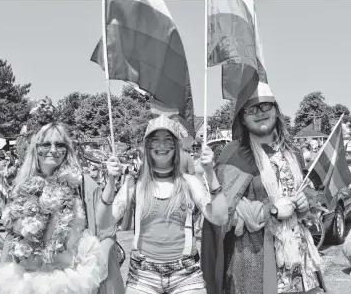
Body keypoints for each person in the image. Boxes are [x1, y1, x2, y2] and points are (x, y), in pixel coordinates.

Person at [201, 87, 326, 294]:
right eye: (251, 109)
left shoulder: (293, 152)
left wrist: (305, 200)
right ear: (242, 119)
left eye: (265, 105)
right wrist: (271, 211)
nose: (260, 112)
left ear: (276, 110)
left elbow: (304, 190)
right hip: (254, 261)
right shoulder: (234, 153)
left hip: (299, 257)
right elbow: (224, 211)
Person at [96, 114, 229, 294]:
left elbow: (220, 218)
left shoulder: (190, 182)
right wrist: (111, 182)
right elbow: (103, 223)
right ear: (147, 146)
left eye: (168, 140)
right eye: (155, 140)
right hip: (143, 274)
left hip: (186, 274)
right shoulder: (134, 184)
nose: (162, 146)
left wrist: (210, 173)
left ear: (176, 146)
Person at [0, 122, 123, 294]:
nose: (53, 149)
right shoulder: (22, 187)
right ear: (35, 148)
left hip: (72, 282)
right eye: (46, 144)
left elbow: (107, 231)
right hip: (28, 281)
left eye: (59, 144)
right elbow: (13, 238)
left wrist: (99, 270)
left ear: (67, 150)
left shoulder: (82, 184)